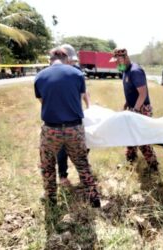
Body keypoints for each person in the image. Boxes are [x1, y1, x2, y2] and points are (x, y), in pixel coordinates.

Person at [34, 47, 100, 207]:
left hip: (51, 129)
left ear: (50, 59)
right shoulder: (77, 74)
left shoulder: (40, 76)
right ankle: (94, 199)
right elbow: (79, 97)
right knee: (82, 164)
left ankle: (51, 200)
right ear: (66, 58)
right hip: (74, 128)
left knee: (48, 165)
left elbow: (43, 101)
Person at [110, 48, 159, 171]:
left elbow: (142, 94)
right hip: (134, 107)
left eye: (117, 61)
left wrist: (135, 111)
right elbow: (132, 92)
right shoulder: (125, 71)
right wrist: (126, 105)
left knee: (142, 139)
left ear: (124, 58)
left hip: (142, 109)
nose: (115, 64)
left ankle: (154, 167)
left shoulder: (135, 71)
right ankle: (130, 161)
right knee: (129, 136)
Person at [54, 44, 91, 187]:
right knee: (62, 148)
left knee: (82, 146)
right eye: (71, 60)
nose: (73, 63)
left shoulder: (76, 72)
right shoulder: (55, 71)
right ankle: (63, 177)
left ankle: (83, 175)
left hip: (74, 116)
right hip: (61, 117)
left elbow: (84, 91)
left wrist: (89, 107)